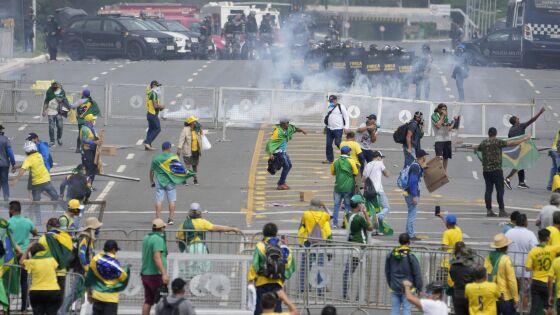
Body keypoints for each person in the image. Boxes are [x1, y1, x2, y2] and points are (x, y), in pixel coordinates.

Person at [475, 127, 530, 217]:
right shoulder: (498, 142)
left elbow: (477, 149)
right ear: (495, 134)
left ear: (488, 133)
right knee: (500, 190)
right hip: (496, 170)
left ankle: (489, 211)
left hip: (486, 171)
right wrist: (524, 139)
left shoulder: (484, 142)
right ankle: (501, 210)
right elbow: (511, 143)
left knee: (488, 190)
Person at [248, 223, 295, 315]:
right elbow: (290, 267)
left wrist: (250, 279)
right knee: (277, 309)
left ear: (264, 233)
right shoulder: (284, 248)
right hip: (277, 283)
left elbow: (255, 265)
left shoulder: (260, 246)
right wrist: (283, 277)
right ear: (276, 233)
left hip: (262, 282)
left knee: (260, 309)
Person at [11, 141, 59, 224]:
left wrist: (16, 179)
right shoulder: (39, 155)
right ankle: (54, 213)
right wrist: (18, 167)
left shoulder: (28, 159)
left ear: (27, 151)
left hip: (36, 184)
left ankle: (38, 221)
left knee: (37, 203)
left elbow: (23, 168)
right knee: (55, 197)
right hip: (46, 181)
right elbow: (27, 164)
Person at [504, 108, 545, 190]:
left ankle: (521, 182)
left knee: (520, 165)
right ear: (515, 121)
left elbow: (510, 141)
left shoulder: (510, 130)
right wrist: (540, 112)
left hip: (514, 150)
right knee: (519, 165)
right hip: (521, 149)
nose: (519, 119)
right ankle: (508, 179)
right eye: (517, 118)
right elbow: (532, 120)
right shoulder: (520, 126)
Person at [297, 198, 332, 294]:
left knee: (305, 265)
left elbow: (301, 226)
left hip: (308, 242)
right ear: (319, 206)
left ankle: (302, 287)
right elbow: (331, 216)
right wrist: (324, 206)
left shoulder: (306, 214)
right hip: (320, 243)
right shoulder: (324, 215)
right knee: (320, 266)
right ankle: (320, 290)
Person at [8, 200, 38, 312]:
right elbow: (35, 232)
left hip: (12, 255)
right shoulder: (27, 221)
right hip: (25, 255)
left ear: (12, 210)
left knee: (10, 279)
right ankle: (24, 307)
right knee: (24, 281)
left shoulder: (9, 223)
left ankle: (6, 306)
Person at [85, 240, 129, 315]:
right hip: (110, 299)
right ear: (113, 250)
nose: (116, 252)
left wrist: (89, 293)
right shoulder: (114, 263)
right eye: (116, 250)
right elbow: (123, 278)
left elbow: (89, 277)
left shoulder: (95, 259)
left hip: (97, 296)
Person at [176, 202, 241, 253]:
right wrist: (231, 228)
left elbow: (178, 239)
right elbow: (218, 228)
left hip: (188, 249)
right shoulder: (202, 222)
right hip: (200, 249)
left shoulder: (184, 224)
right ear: (200, 213)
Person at [151, 141, 190, 224]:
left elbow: (151, 171)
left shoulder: (156, 158)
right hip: (171, 181)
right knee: (172, 201)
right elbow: (179, 169)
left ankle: (158, 219)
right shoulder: (174, 157)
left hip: (160, 181)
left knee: (159, 201)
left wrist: (151, 181)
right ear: (169, 148)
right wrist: (183, 179)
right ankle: (170, 219)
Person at [343, 195, 373, 299]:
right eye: (361, 203)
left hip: (352, 245)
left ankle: (345, 294)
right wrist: (365, 212)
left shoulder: (348, 215)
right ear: (358, 205)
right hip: (360, 246)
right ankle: (358, 297)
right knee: (361, 272)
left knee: (348, 272)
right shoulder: (359, 218)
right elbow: (370, 227)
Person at [385, 233, 423, 315]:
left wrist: (390, 283)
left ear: (399, 242)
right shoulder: (411, 256)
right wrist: (419, 288)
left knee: (395, 308)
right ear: (409, 242)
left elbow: (387, 271)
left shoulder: (391, 254)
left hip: (394, 286)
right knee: (407, 308)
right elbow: (417, 273)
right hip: (408, 287)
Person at [505, 213, 537, 307]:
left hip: (511, 269)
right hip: (525, 271)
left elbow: (503, 247)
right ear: (526, 222)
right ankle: (523, 311)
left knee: (510, 295)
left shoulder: (509, 233)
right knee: (524, 295)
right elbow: (535, 251)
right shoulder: (530, 234)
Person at [21, 242, 63, 315]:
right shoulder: (51, 259)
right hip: (53, 291)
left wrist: (27, 249)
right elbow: (56, 270)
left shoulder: (32, 261)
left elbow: (21, 262)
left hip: (36, 292)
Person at [265, 118, 307, 190]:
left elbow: (295, 129)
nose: (288, 124)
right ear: (282, 124)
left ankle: (282, 182)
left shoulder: (288, 128)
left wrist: (302, 131)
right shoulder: (277, 132)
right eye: (286, 123)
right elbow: (270, 142)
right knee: (286, 166)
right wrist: (270, 154)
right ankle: (280, 184)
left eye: (288, 123)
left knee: (289, 165)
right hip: (278, 152)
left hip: (283, 152)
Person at [525, 229, 560, 314]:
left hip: (536, 282)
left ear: (539, 238)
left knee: (534, 307)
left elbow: (527, 268)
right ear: (548, 238)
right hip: (549, 283)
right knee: (549, 307)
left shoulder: (533, 251)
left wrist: (536, 267)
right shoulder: (553, 249)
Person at [484, 233, 519, 314]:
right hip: (504, 295)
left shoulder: (489, 257)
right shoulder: (506, 259)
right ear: (506, 247)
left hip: (491, 294)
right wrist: (516, 298)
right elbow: (512, 280)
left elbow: (486, 274)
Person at [141, 218, 169, 315]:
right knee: (162, 302)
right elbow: (157, 257)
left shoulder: (146, 238)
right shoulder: (158, 239)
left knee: (148, 301)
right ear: (161, 228)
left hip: (145, 274)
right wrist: (164, 273)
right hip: (155, 275)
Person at [330, 146, 359, 228]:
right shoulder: (351, 161)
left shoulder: (335, 161)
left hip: (338, 186)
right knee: (347, 205)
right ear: (348, 152)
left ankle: (335, 224)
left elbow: (332, 173)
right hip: (348, 186)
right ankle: (346, 223)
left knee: (336, 206)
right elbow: (356, 172)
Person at [404, 149, 428, 241]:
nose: (426, 158)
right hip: (411, 193)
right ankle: (410, 234)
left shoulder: (415, 165)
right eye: (425, 156)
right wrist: (414, 196)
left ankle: (408, 233)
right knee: (412, 214)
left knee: (411, 212)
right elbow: (413, 182)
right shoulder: (415, 167)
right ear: (422, 157)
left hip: (408, 192)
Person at [362, 151, 390, 231]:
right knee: (386, 207)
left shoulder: (367, 165)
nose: (381, 159)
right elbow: (387, 174)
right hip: (378, 190)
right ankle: (376, 218)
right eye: (381, 158)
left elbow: (363, 179)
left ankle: (376, 229)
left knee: (373, 210)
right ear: (378, 157)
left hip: (369, 192)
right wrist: (382, 163)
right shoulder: (380, 163)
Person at [71, 89, 101, 153]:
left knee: (81, 134)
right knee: (91, 133)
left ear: (83, 94)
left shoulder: (80, 101)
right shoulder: (92, 101)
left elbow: (73, 106)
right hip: (90, 120)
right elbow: (96, 111)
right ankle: (92, 146)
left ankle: (78, 148)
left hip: (81, 121)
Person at [449, 243, 475, 315]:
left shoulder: (453, 265)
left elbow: (453, 278)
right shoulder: (473, 266)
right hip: (470, 295)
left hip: (457, 294)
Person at [324, 95, 349, 164]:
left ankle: (347, 154)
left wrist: (346, 127)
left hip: (338, 129)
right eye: (330, 101)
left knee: (337, 143)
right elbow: (329, 117)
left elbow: (346, 117)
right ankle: (330, 159)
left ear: (336, 100)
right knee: (328, 144)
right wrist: (326, 126)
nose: (331, 102)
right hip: (329, 129)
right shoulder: (329, 107)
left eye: (332, 100)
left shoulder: (341, 106)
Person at [431, 104, 457, 171]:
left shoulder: (446, 117)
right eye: (443, 109)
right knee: (439, 158)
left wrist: (454, 122)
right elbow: (438, 126)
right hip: (439, 140)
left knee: (446, 157)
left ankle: (444, 172)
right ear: (439, 109)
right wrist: (443, 116)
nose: (444, 111)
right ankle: (439, 172)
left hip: (447, 139)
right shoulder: (434, 116)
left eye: (445, 109)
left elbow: (448, 128)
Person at [177, 116, 202, 186]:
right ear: (191, 123)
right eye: (195, 121)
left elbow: (201, 138)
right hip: (187, 151)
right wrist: (179, 150)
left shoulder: (197, 129)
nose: (196, 122)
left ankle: (195, 179)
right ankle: (184, 180)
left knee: (195, 166)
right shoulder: (185, 130)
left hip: (196, 151)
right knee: (187, 166)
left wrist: (200, 131)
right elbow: (181, 140)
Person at [42, 81, 67, 146]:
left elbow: (64, 99)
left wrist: (60, 99)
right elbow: (46, 101)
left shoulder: (61, 91)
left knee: (60, 126)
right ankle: (52, 141)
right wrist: (44, 110)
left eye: (56, 86)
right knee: (51, 127)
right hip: (50, 111)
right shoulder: (49, 91)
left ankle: (59, 138)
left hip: (59, 111)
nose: (55, 87)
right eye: (54, 86)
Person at [80, 114, 101, 186]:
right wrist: (95, 142)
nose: (94, 121)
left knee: (94, 168)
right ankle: (87, 186)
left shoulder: (92, 128)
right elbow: (85, 140)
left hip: (93, 150)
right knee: (89, 169)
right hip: (87, 151)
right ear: (89, 121)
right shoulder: (85, 129)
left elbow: (95, 137)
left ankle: (90, 185)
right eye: (93, 120)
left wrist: (99, 139)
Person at [144, 80, 165, 151]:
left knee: (151, 129)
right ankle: (147, 142)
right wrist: (161, 106)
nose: (158, 87)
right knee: (157, 129)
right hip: (152, 115)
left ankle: (148, 145)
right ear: (153, 86)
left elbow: (155, 106)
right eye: (157, 86)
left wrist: (160, 108)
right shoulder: (153, 94)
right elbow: (155, 106)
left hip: (150, 114)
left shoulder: (151, 93)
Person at [0, 124, 15, 200]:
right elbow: (10, 153)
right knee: (4, 181)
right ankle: (6, 196)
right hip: (4, 164)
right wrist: (13, 164)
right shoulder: (5, 139)